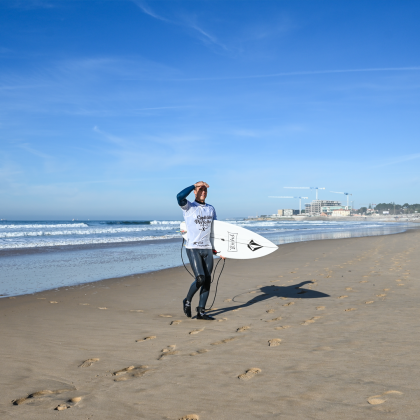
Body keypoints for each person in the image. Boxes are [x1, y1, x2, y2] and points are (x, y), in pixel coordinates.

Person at [177, 181, 224, 320]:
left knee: (207, 280)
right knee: (200, 278)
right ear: (195, 192)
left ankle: (201, 311)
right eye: (200, 189)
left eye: (205, 190)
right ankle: (187, 300)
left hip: (207, 248)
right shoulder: (188, 207)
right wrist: (194, 185)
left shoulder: (211, 209)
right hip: (193, 248)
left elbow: (216, 230)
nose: (203, 192)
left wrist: (220, 250)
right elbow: (179, 196)